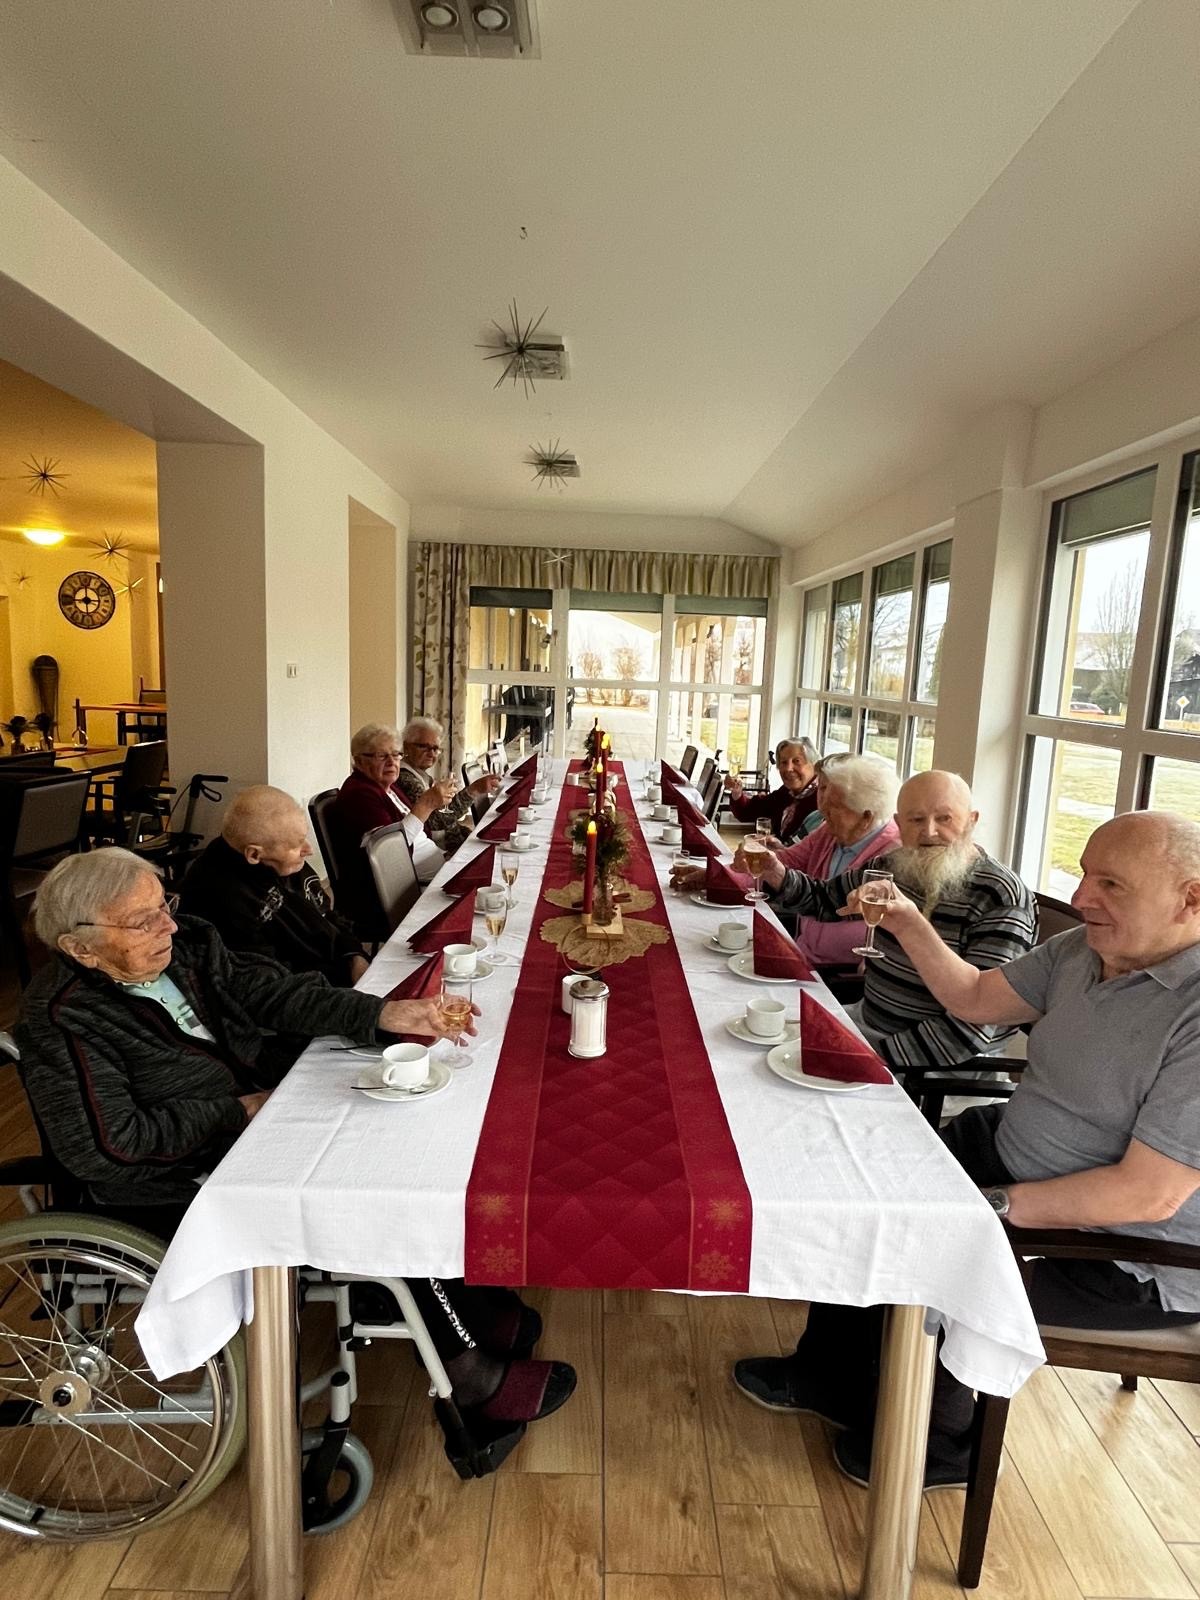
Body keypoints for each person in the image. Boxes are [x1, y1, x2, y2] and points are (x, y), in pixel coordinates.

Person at [16, 849, 576, 1461]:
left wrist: (386, 1014)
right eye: (143, 920)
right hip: (183, 1180)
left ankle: (469, 1305)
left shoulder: (190, 945)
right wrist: (238, 1110)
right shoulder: (62, 1018)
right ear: (81, 948)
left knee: (400, 1133)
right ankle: (469, 1375)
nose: (170, 926)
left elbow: (272, 994)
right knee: (369, 1187)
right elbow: (108, 1145)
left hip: (260, 1118)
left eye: (164, 907)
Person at [733, 810, 1200, 1491]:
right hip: (1018, 1149)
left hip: (1125, 1251)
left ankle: (941, 1443)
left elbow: (1147, 1194)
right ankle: (829, 1373)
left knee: (931, 1242)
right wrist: (905, 920)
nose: (1081, 900)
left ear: (1192, 897)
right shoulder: (1086, 953)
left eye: (1111, 885)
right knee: (870, 1184)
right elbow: (976, 997)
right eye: (1084, 876)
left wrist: (985, 1208)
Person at [746, 769, 1036, 1072]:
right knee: (757, 1047)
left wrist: (871, 1058)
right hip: (868, 1024)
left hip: (938, 1068)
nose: (929, 832)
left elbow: (971, 1030)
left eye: (945, 818)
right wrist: (776, 873)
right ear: (898, 824)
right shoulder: (892, 865)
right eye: (916, 819)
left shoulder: (1001, 897)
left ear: (972, 821)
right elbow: (825, 900)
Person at [672, 753, 900, 968]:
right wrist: (713, 876)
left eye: (834, 808)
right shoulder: (829, 830)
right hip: (798, 951)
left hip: (835, 973)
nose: (823, 811)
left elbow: (860, 923)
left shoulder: (892, 856)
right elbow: (784, 862)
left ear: (866, 817)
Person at [180, 784, 368, 987]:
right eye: (297, 844)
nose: (308, 849)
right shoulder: (220, 899)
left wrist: (354, 954)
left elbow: (327, 915)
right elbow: (275, 984)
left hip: (346, 968)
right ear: (254, 854)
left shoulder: (282, 863)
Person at [328, 723, 453, 924]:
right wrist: (427, 804)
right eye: (381, 756)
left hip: (427, 877)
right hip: (400, 894)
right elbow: (390, 854)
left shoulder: (387, 787)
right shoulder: (359, 794)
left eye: (396, 755)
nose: (392, 762)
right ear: (358, 760)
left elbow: (415, 832)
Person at [395, 715, 499, 854]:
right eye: (424, 746)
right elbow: (436, 821)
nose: (431, 753)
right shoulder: (406, 778)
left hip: (454, 845)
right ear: (407, 747)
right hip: (441, 854)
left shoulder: (420, 774)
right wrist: (473, 790)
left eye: (435, 748)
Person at [723, 736, 820, 845]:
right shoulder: (786, 792)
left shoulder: (822, 800)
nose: (788, 768)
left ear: (814, 764)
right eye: (783, 762)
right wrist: (737, 791)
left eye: (796, 761)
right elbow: (747, 812)